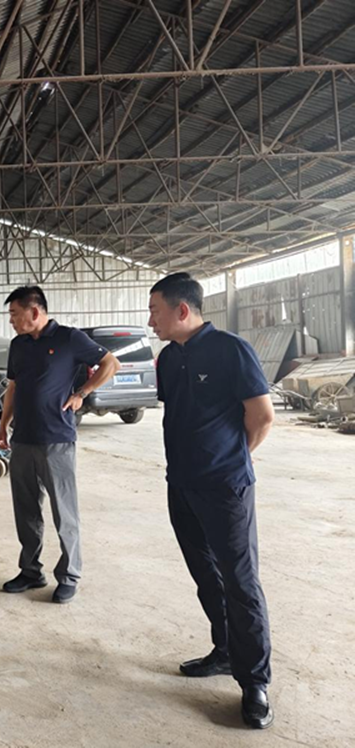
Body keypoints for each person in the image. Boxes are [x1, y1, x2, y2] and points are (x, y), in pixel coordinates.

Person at [148, 272, 275, 730]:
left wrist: (231, 457)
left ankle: (254, 682)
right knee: (207, 576)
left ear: (182, 310)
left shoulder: (231, 350)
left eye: (155, 311)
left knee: (240, 583)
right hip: (181, 485)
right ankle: (224, 651)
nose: (151, 321)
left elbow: (261, 416)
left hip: (225, 488)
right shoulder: (167, 358)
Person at [0, 286, 119, 604]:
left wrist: (81, 393)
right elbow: (13, 387)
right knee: (26, 510)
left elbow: (110, 364)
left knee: (64, 512)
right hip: (23, 439)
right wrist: (3, 424)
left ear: (34, 312)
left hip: (57, 440)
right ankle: (30, 571)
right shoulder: (18, 345)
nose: (11, 320)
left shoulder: (69, 338)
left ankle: (69, 575)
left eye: (14, 314)